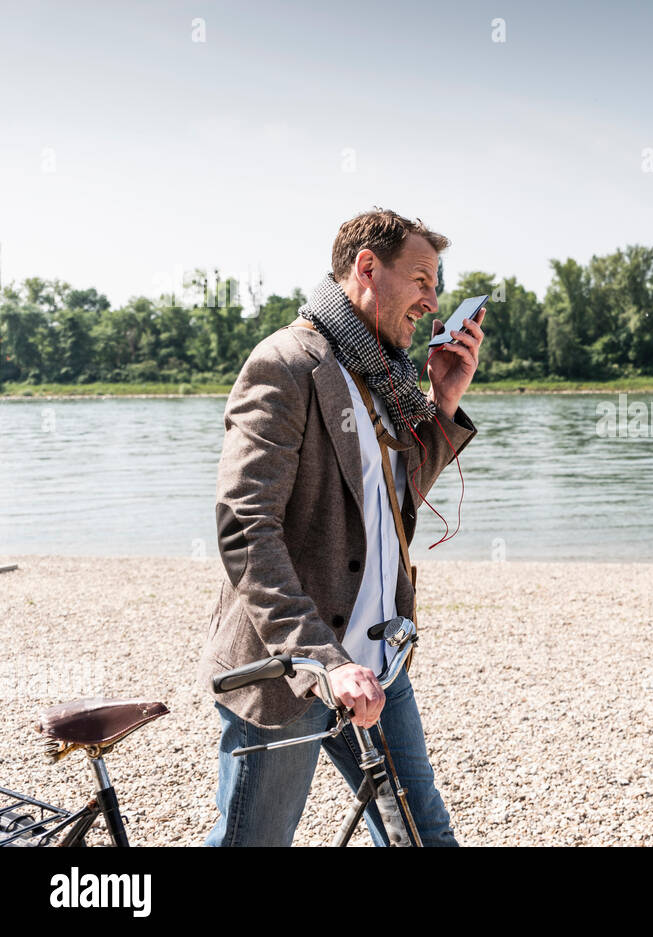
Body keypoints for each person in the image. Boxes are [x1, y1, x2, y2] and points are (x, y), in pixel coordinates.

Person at [198, 208, 485, 846]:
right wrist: (322, 661)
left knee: (421, 835)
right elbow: (246, 528)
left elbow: (394, 497)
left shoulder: (382, 371)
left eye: (436, 287)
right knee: (254, 842)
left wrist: (443, 401)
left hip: (379, 661)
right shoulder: (286, 364)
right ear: (365, 269)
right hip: (291, 668)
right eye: (421, 281)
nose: (432, 303)